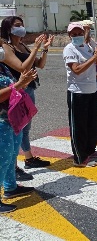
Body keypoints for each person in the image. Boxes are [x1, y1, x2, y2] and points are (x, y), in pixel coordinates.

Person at [0, 16, 53, 181]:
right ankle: (14, 168)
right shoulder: (6, 47)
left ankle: (27, 159)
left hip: (27, 89)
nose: (21, 28)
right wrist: (36, 48)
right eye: (17, 25)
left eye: (22, 25)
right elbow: (23, 67)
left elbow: (40, 64)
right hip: (15, 90)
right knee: (16, 129)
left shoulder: (22, 45)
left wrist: (44, 49)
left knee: (24, 128)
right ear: (8, 28)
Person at [63, 22, 97, 167]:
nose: (77, 36)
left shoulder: (87, 47)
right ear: (69, 35)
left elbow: (95, 64)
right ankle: (79, 157)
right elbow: (76, 69)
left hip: (91, 90)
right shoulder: (69, 50)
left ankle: (90, 150)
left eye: (79, 33)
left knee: (92, 124)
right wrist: (94, 57)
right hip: (77, 92)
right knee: (79, 126)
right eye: (74, 34)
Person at [0, 45, 37, 213]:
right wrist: (18, 85)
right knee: (2, 160)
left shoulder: (2, 66)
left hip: (12, 118)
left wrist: (22, 82)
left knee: (11, 156)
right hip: (1, 120)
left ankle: (10, 187)